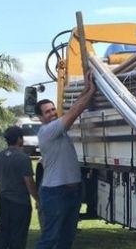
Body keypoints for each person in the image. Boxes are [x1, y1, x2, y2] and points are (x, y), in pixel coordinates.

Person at [34, 77, 96, 249]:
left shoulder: (58, 130)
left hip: (72, 191)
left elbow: (72, 108)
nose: (52, 113)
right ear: (40, 117)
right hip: (56, 193)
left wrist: (87, 89)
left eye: (53, 109)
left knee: (67, 239)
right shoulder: (48, 131)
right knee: (50, 239)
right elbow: (74, 112)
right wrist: (91, 92)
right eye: (47, 112)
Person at [0, 126, 39, 249]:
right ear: (19, 139)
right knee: (18, 237)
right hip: (20, 203)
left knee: (2, 234)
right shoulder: (23, 158)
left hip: (3, 200)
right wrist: (38, 199)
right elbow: (29, 182)